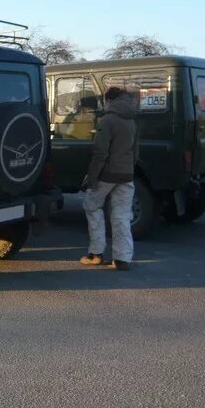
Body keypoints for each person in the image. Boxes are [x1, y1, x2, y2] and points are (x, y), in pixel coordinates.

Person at [80, 87, 139, 270]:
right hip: (127, 175)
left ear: (108, 101)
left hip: (107, 174)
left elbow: (100, 154)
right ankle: (122, 259)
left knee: (92, 206)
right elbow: (136, 153)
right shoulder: (132, 122)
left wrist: (91, 178)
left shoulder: (107, 121)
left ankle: (96, 253)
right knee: (121, 215)